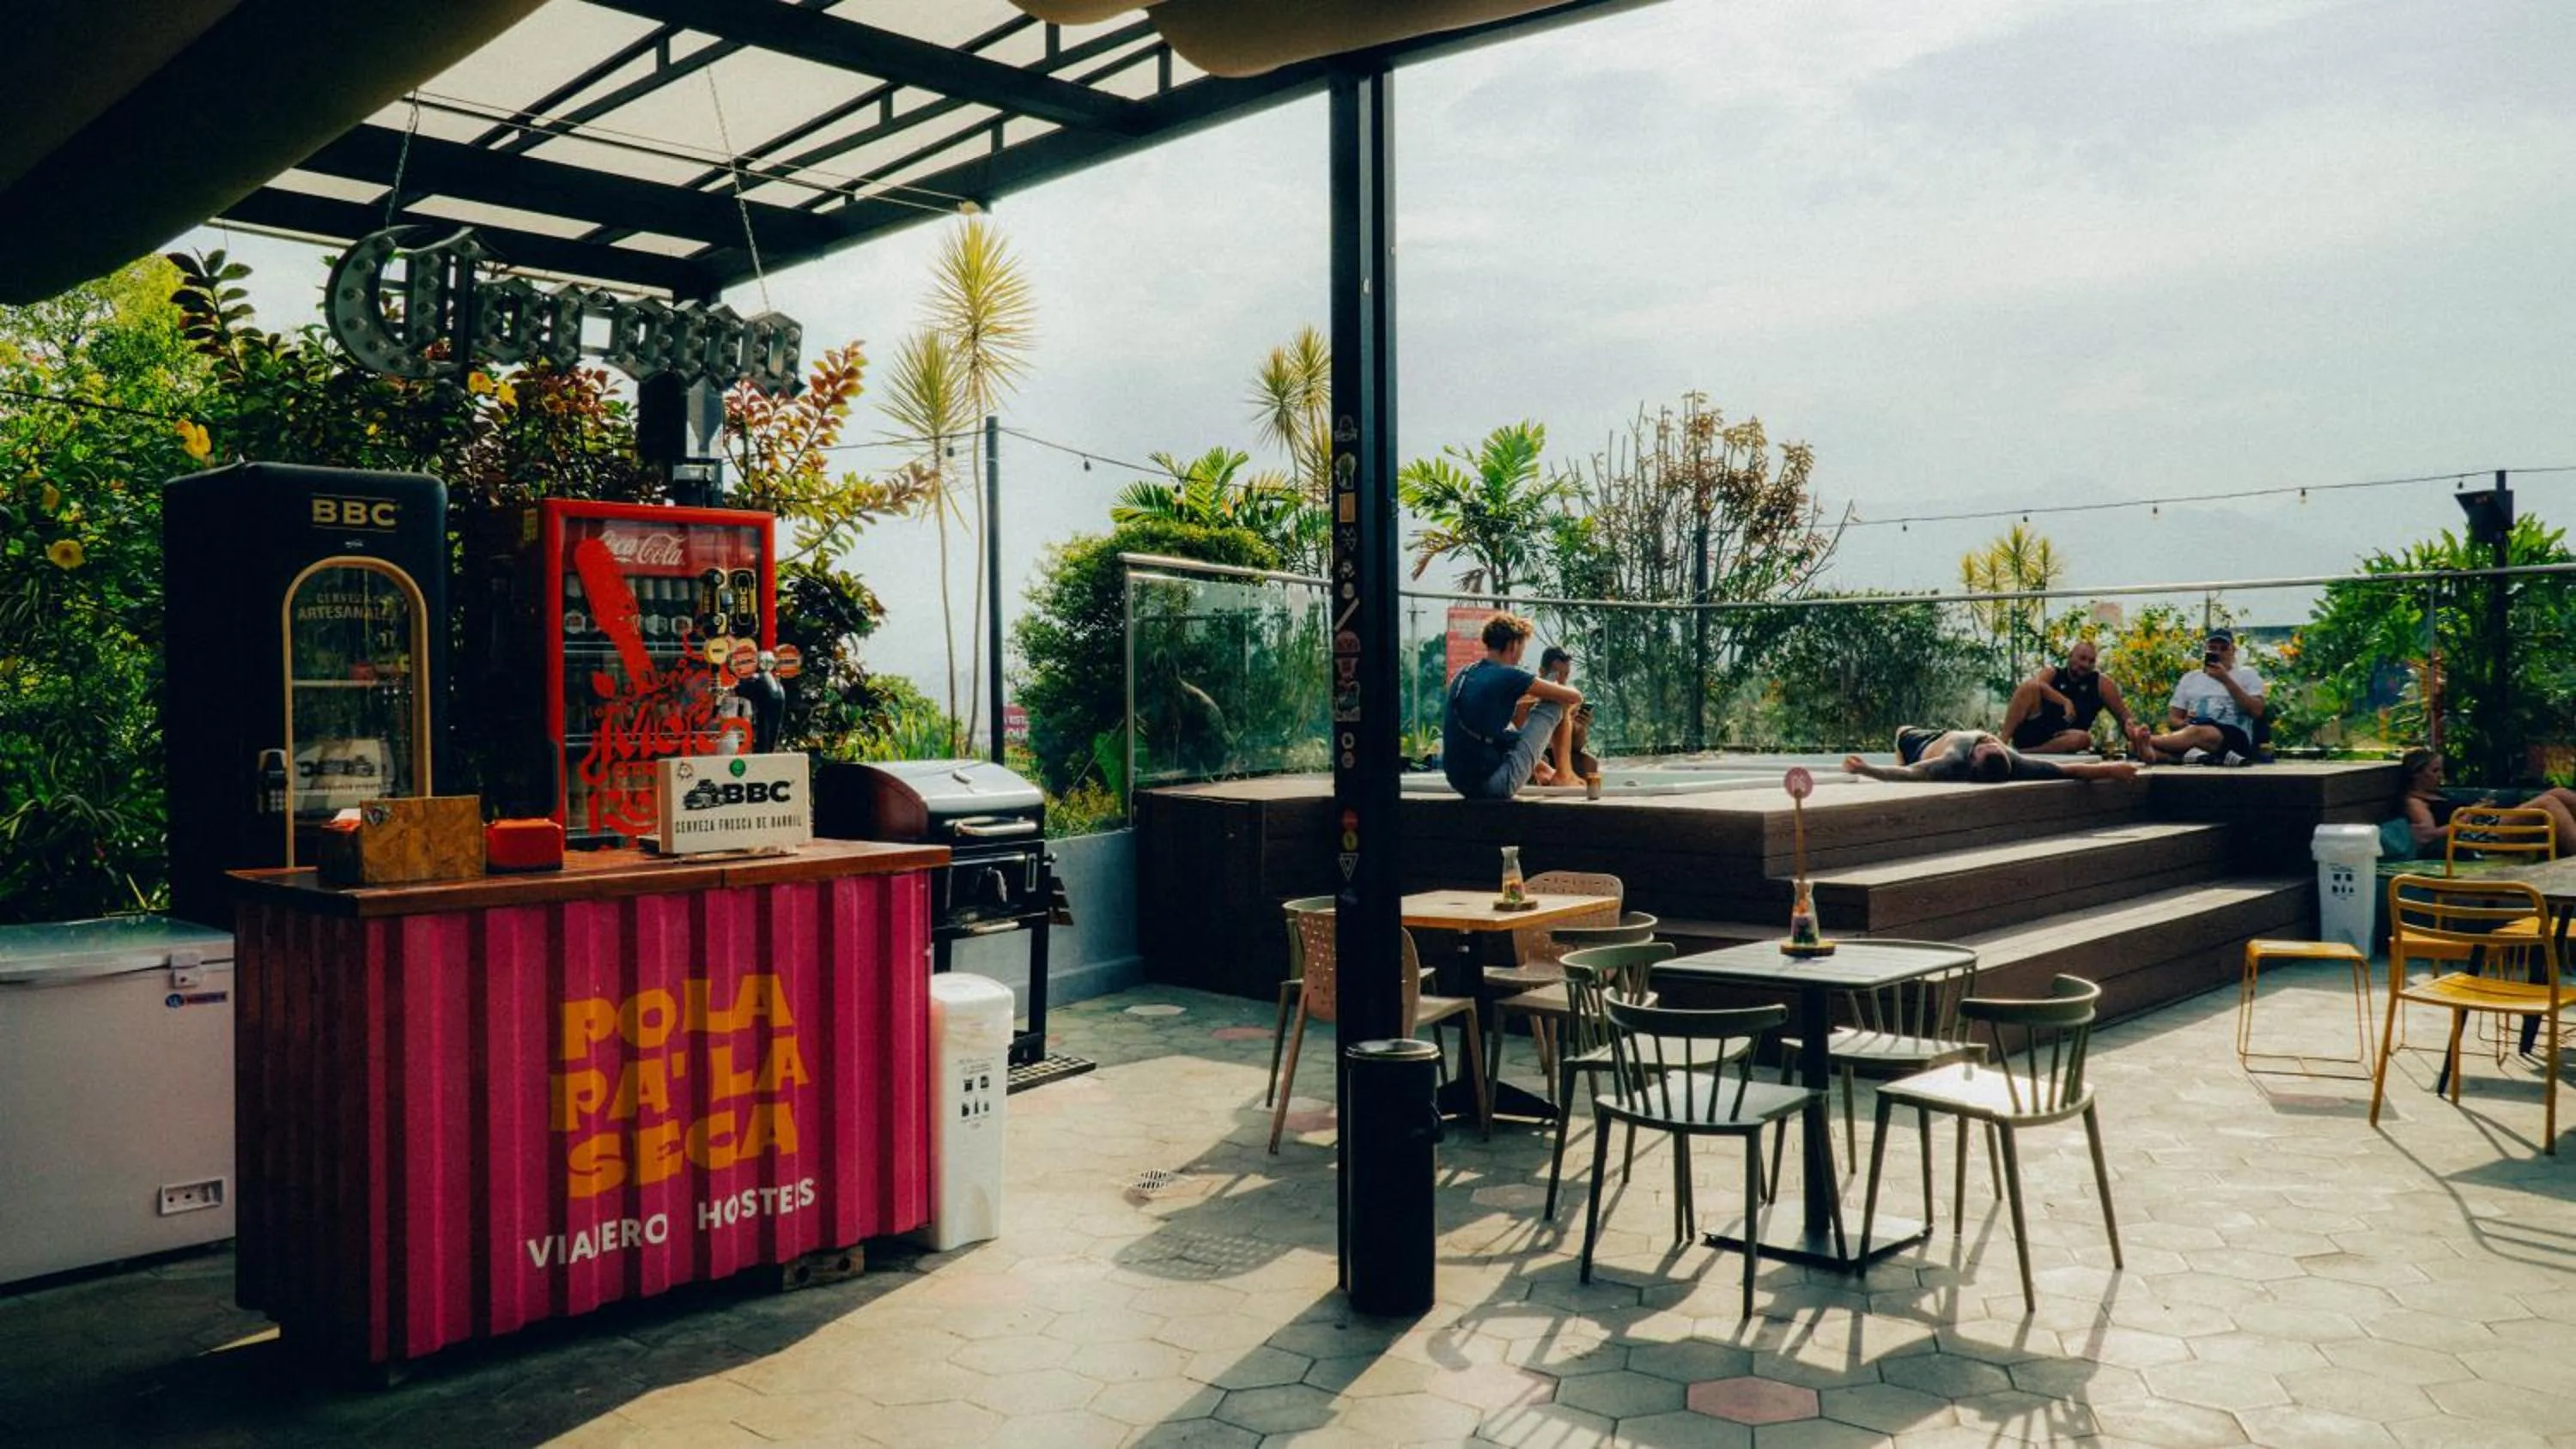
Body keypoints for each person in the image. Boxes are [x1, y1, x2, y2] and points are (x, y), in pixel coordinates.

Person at [1444, 613, 1583, 799]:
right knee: (1557, 701)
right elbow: (1574, 697)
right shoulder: (1510, 676)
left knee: (1504, 730)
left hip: (1459, 782)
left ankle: (1546, 772)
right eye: (1523, 647)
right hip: (1494, 785)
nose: (1521, 655)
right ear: (1514, 645)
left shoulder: (1464, 674)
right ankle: (1564, 776)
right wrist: (1559, 696)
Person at [2136, 630, 2265, 766]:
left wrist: (2225, 679)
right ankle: (2179, 756)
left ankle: (2146, 740)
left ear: (2233, 650)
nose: (2218, 653)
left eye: (2224, 649)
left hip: (2234, 737)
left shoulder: (2247, 675)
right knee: (2191, 732)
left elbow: (2257, 711)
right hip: (2194, 732)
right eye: (2213, 648)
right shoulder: (2190, 678)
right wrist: (2184, 723)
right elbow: (2173, 718)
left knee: (2196, 733)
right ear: (2205, 650)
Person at [1844, 726, 2140, 785]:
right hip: (1943, 736)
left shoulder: (1954, 759)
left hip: (1921, 746)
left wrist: (1866, 769)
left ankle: (1900, 746)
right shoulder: (2017, 763)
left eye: (1987, 744)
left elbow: (1911, 772)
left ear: (1973, 759)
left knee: (1902, 731)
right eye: (1992, 743)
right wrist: (2113, 770)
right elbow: (2069, 771)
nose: (1989, 739)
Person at [2001, 640, 2148, 756]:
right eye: (2082, 658)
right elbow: (2036, 685)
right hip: (2032, 731)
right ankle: (2002, 743)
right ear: (2070, 656)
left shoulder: (2102, 684)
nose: (2086, 664)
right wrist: (2065, 701)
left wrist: (2135, 735)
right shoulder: (2052, 673)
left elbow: (2122, 714)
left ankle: (2023, 754)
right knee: (2029, 687)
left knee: (2084, 739)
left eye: (2091, 661)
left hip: (2062, 740)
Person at [1513, 645, 1599, 780]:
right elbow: (1520, 737)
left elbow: (1577, 746)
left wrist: (1579, 727)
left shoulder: (1570, 699)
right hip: (1535, 751)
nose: (1561, 680)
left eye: (1566, 674)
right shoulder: (1526, 699)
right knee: (1542, 759)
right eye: (1556, 674)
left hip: (1560, 755)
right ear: (1542, 672)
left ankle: (1579, 790)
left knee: (1589, 762)